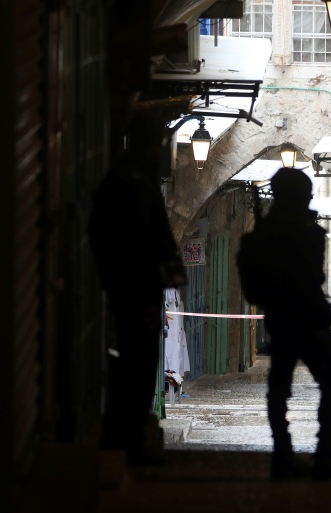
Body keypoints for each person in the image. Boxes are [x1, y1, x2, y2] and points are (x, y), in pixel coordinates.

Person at [243, 168, 331, 481]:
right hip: (306, 320)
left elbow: (256, 285)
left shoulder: (268, 233)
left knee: (279, 389)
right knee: (329, 385)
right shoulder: (303, 231)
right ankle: (322, 457)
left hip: (282, 320)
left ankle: (283, 456)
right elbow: (312, 277)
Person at [87, 112, 186, 465]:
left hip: (129, 288)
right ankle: (127, 440)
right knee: (137, 367)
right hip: (137, 291)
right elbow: (141, 242)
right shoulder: (133, 183)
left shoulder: (122, 179)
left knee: (134, 365)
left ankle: (126, 436)